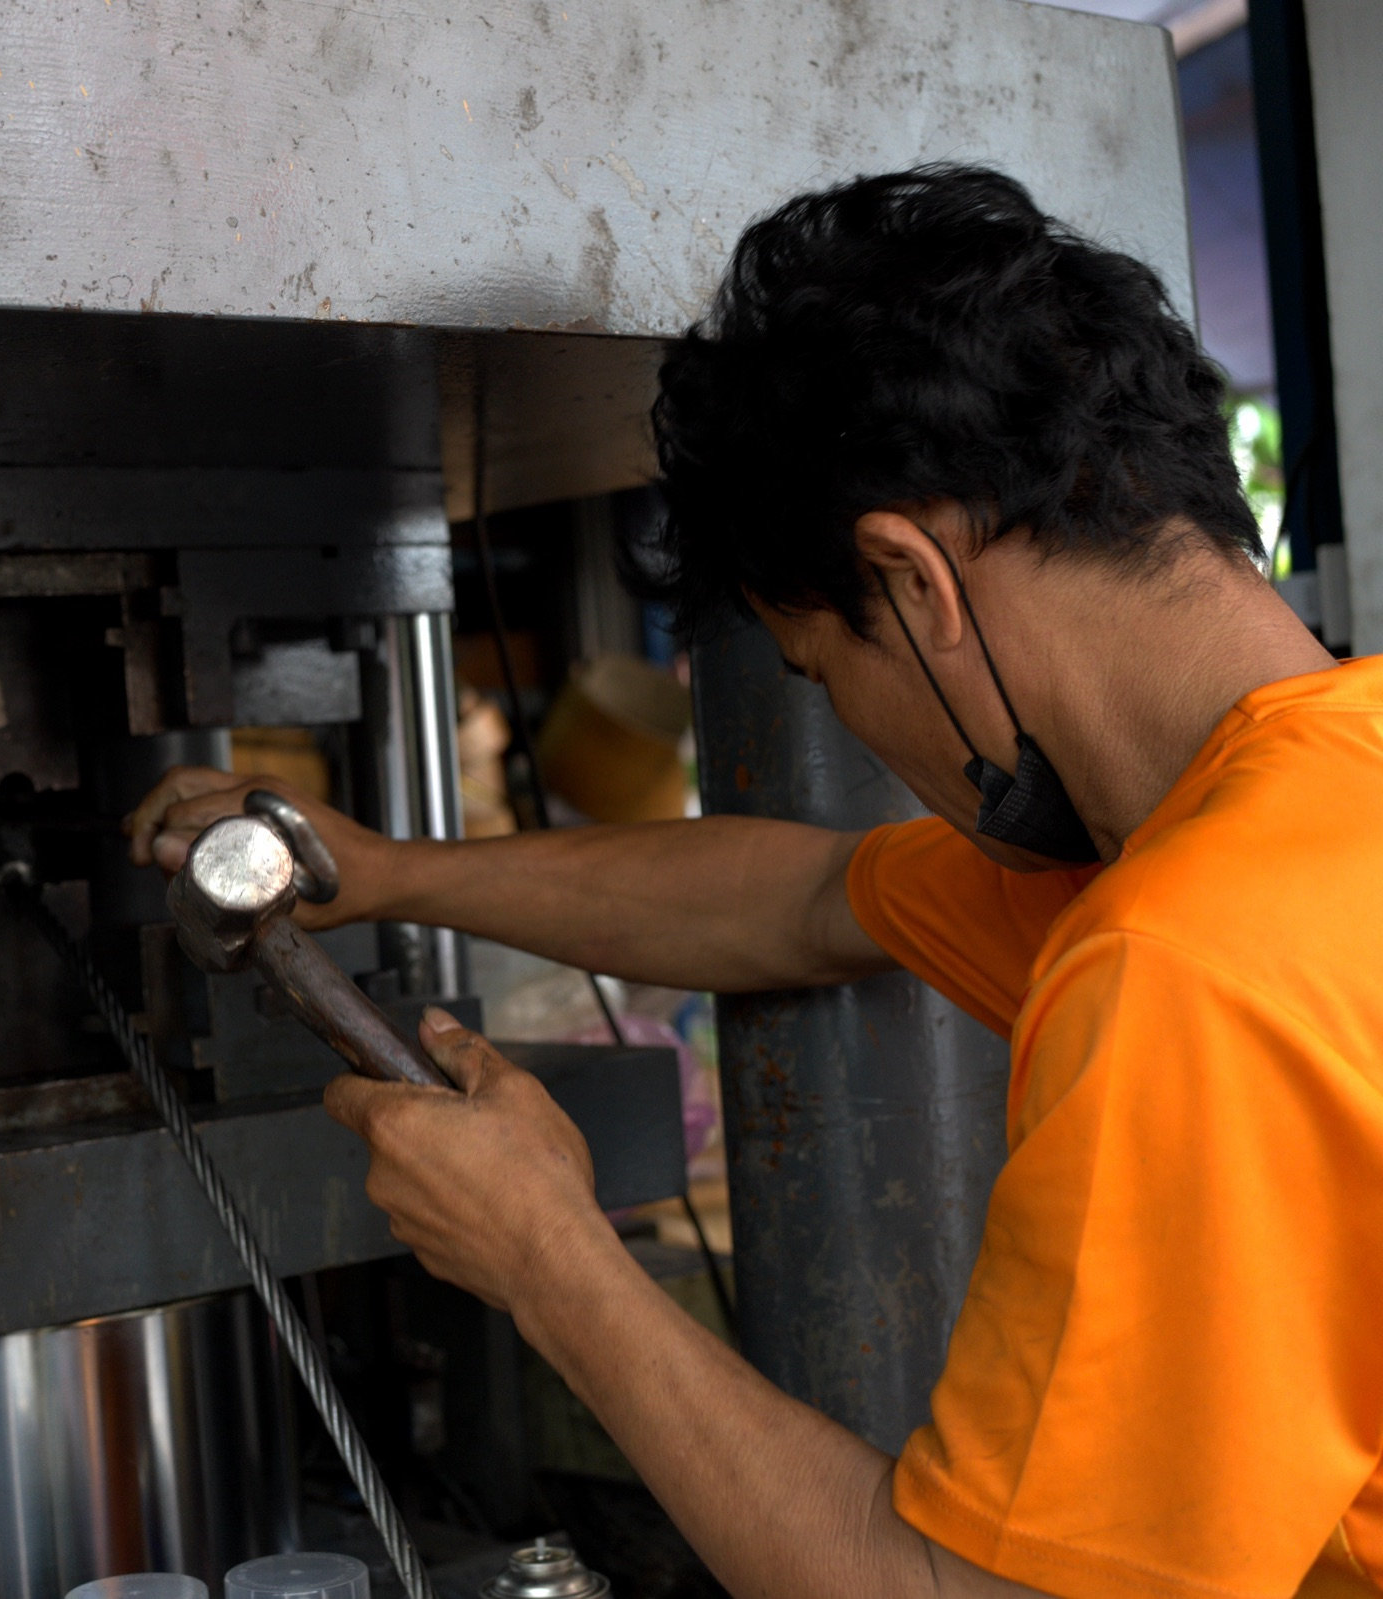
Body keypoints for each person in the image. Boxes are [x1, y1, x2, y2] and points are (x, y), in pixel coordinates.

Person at [126, 167, 1383, 1599]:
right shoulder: (1299, 806)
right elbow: (796, 899)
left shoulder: (1186, 969)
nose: (855, 720)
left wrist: (550, 1260)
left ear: (915, 584)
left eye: (820, 669)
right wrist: (392, 872)